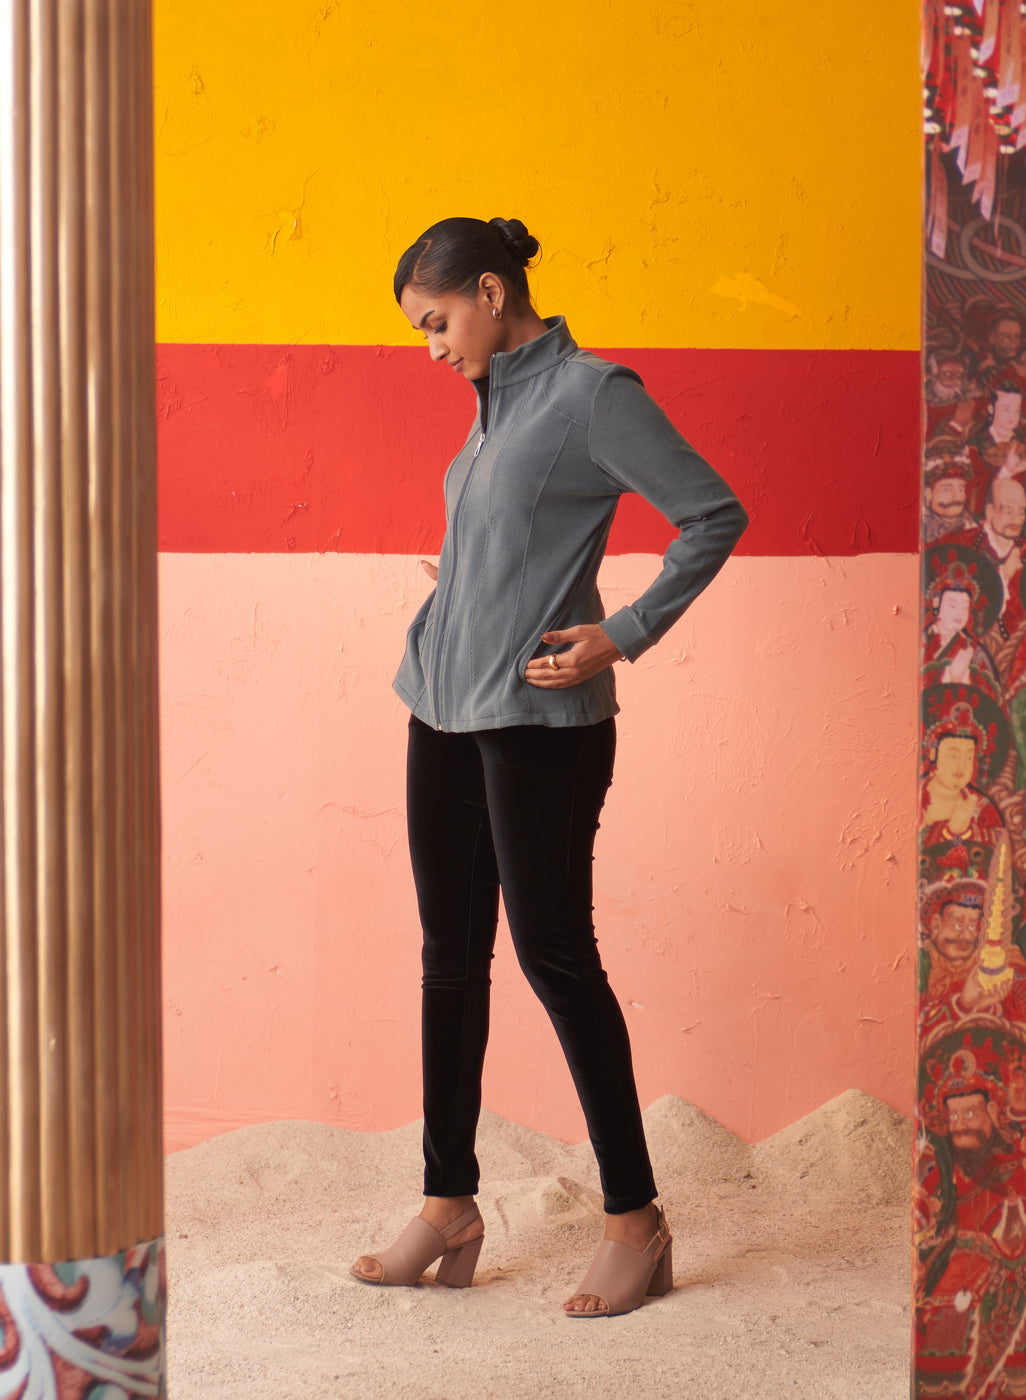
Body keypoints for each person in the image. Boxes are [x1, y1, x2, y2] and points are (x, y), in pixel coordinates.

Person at [349, 216, 747, 1317]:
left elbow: (713, 514)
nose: (433, 347)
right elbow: (522, 536)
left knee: (556, 957)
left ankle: (635, 1219)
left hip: (540, 722)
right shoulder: (492, 401)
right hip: (441, 707)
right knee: (448, 959)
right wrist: (468, 582)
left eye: (437, 322)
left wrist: (623, 632)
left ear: (490, 291)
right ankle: (447, 1203)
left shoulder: (589, 393)